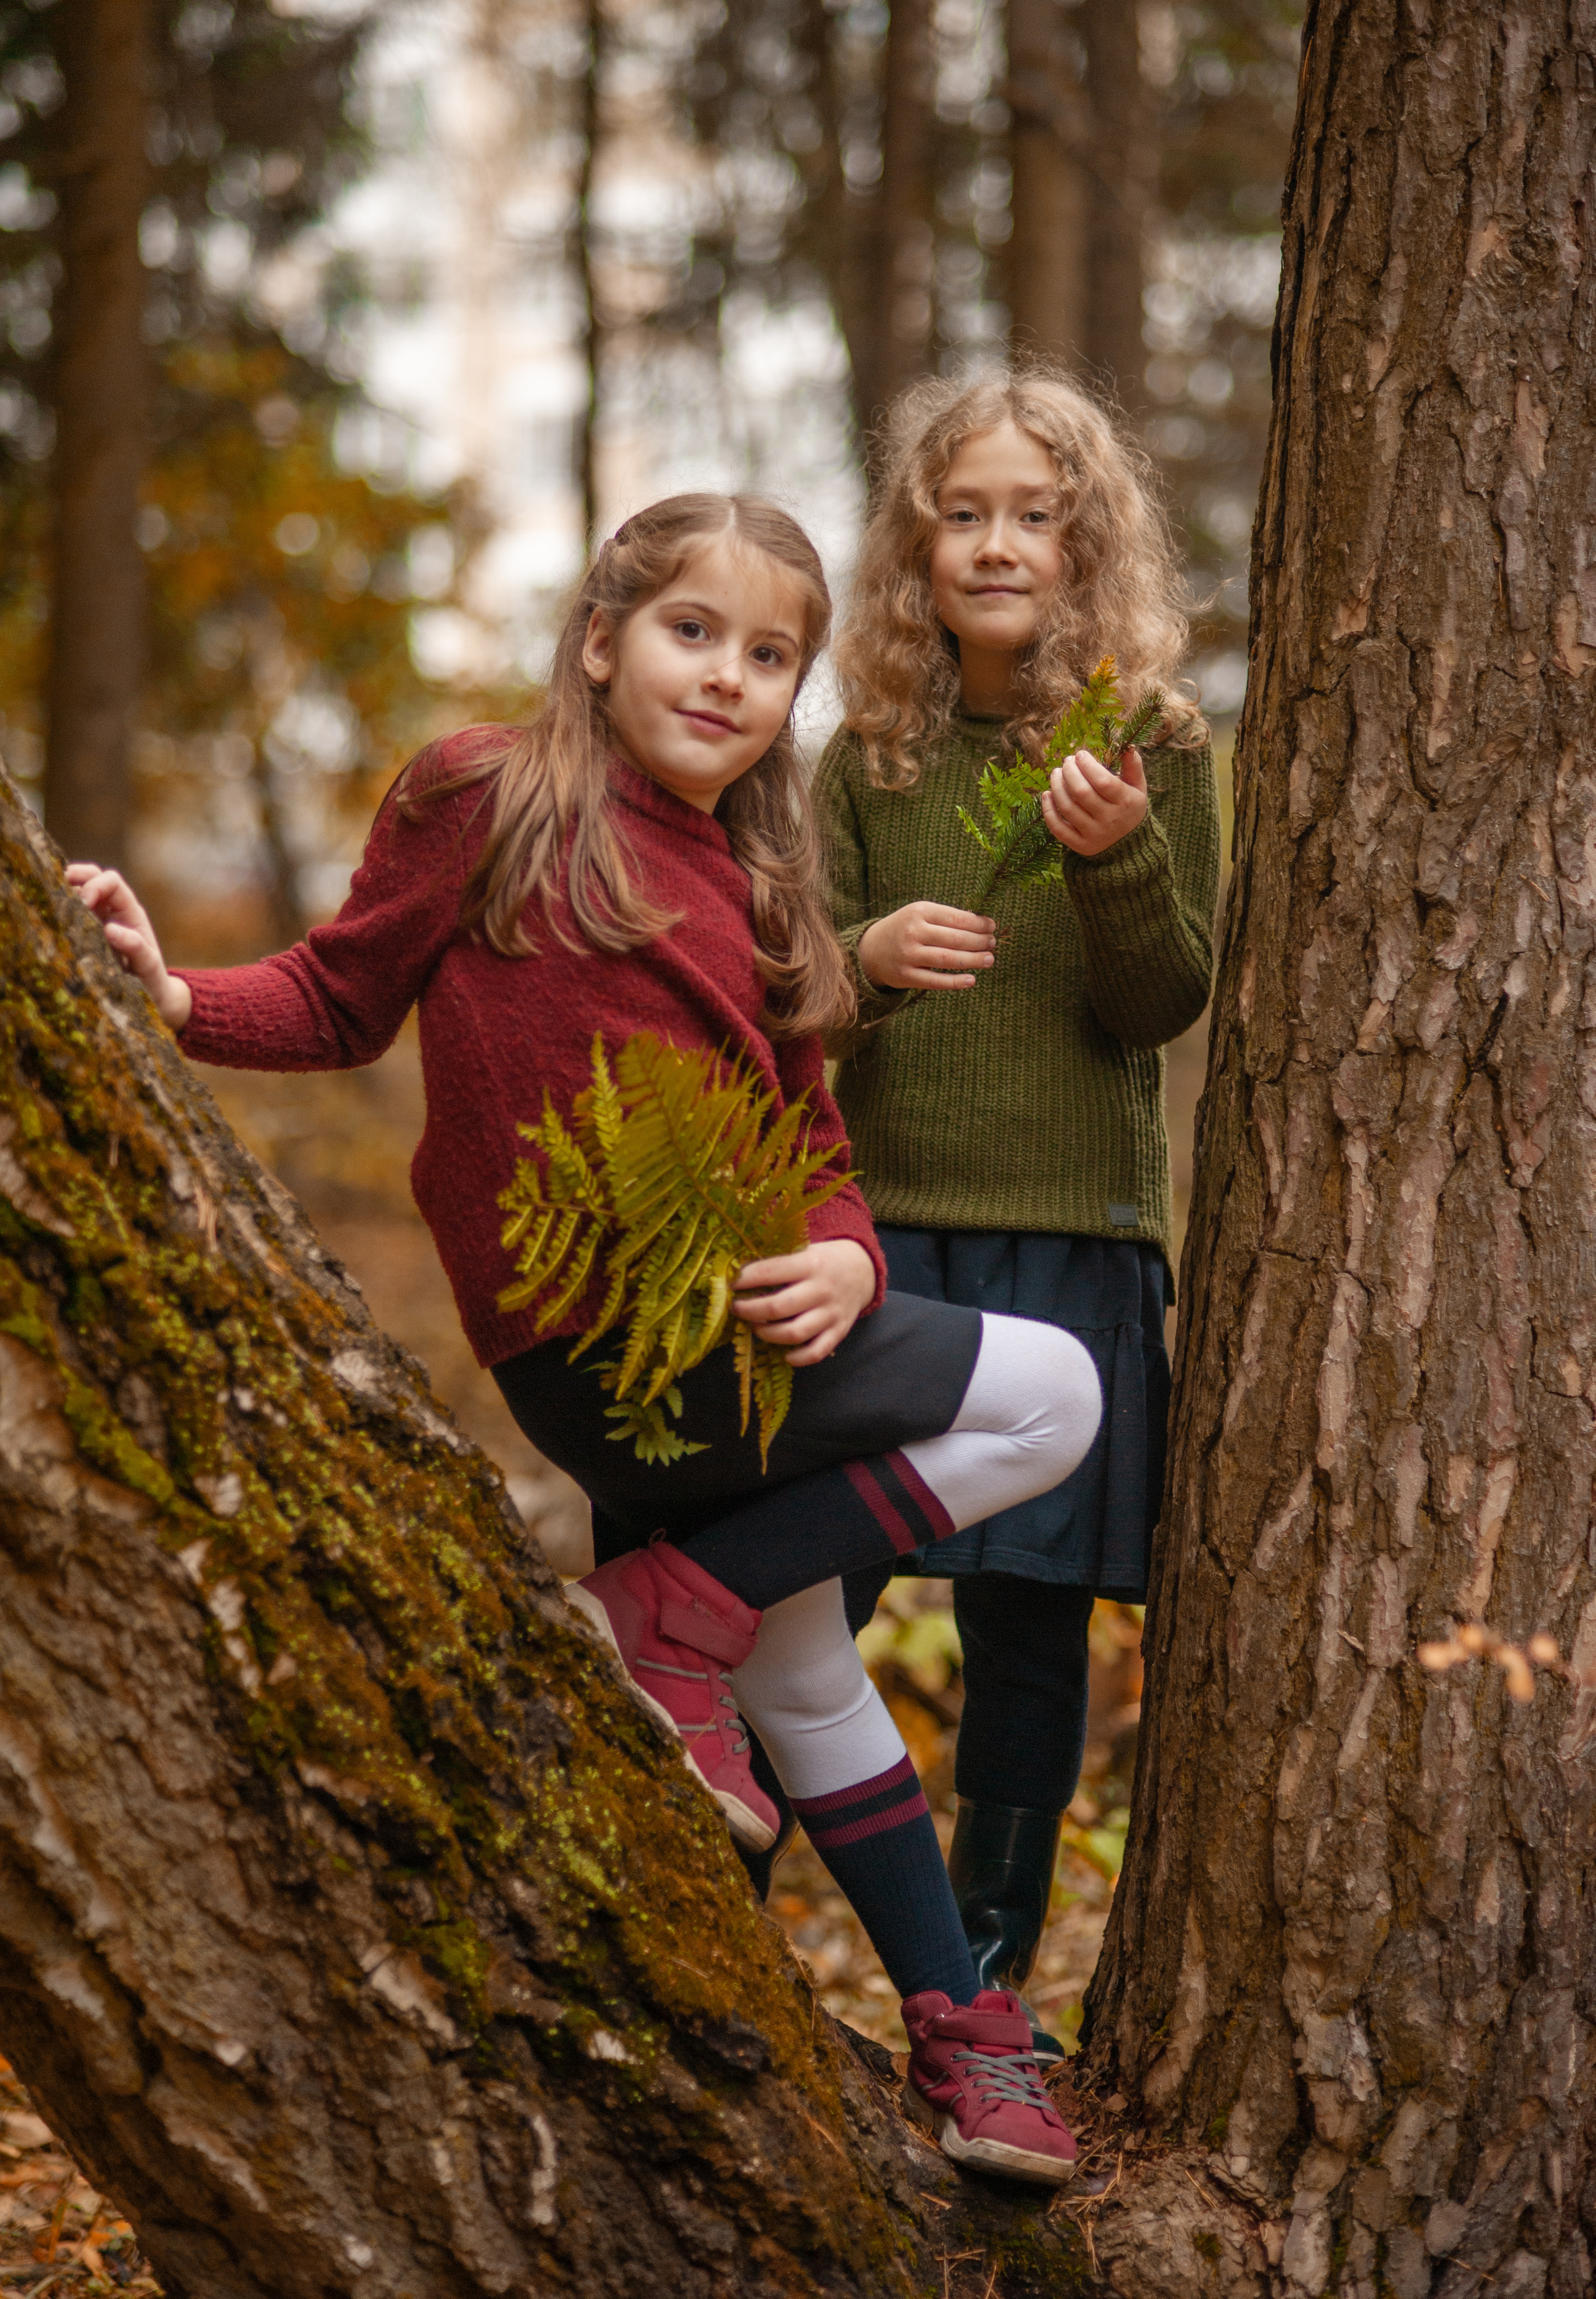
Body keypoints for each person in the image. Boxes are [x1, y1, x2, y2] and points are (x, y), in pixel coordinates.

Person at [69, 491, 1101, 2187]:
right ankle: (661, 1618)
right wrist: (172, 997)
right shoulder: (491, 793)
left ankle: (967, 2040)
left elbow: (818, 1155)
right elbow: (340, 993)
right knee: (1056, 1389)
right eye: (695, 632)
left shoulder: (771, 886)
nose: (730, 678)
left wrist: (845, 1263)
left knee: (806, 1666)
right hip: (601, 1343)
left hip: (754, 1341)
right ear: (605, 636)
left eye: (773, 657)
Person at [812, 374, 1220, 2053]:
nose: (996, 543)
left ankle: (977, 1984)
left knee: (1027, 1645)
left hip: (1075, 1241)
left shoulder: (1151, 746)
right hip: (889, 1238)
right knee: (807, 1596)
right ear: (918, 549)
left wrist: (1118, 856)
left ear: (1086, 544)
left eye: (1033, 515)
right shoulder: (866, 756)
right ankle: (740, 1907)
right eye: (961, 513)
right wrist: (869, 965)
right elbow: (795, 1001)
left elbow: (1166, 998)